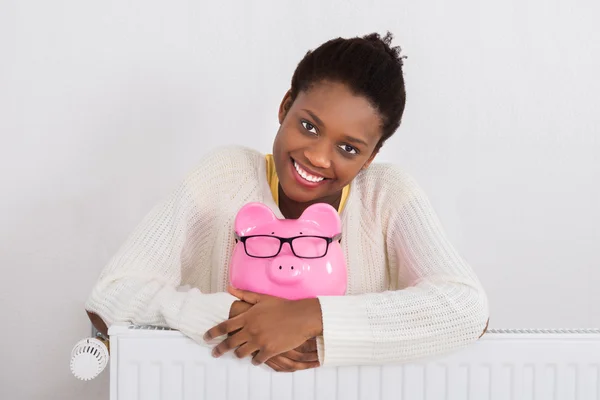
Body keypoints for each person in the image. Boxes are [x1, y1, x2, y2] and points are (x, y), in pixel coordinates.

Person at [85, 31, 489, 373]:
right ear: (284, 107)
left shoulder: (387, 194)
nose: (317, 156)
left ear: (371, 157)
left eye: (348, 148)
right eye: (309, 126)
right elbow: (111, 296)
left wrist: (312, 318)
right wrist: (231, 319)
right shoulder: (224, 175)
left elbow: (467, 308)